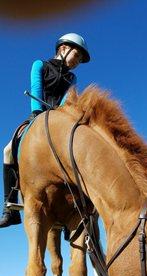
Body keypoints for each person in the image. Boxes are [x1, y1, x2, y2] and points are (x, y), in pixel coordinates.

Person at [0, 33, 90, 228]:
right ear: (63, 49)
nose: (78, 62)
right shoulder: (39, 64)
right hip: (38, 114)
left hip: (61, 119)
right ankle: (9, 208)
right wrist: (36, 113)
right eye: (78, 55)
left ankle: (77, 211)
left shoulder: (71, 77)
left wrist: (64, 116)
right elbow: (36, 88)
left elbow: (68, 99)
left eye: (81, 60)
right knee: (7, 151)